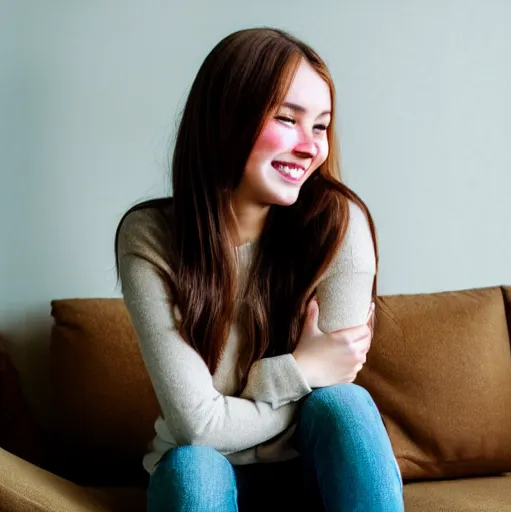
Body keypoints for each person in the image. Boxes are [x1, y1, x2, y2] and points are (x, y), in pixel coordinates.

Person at [115, 27, 403, 512]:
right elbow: (196, 428)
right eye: (288, 119)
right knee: (195, 465)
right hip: (208, 478)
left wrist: (257, 390)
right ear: (227, 118)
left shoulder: (339, 225)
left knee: (346, 407)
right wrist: (303, 369)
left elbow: (333, 389)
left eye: (320, 126)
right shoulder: (150, 237)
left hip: (311, 471)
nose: (311, 147)